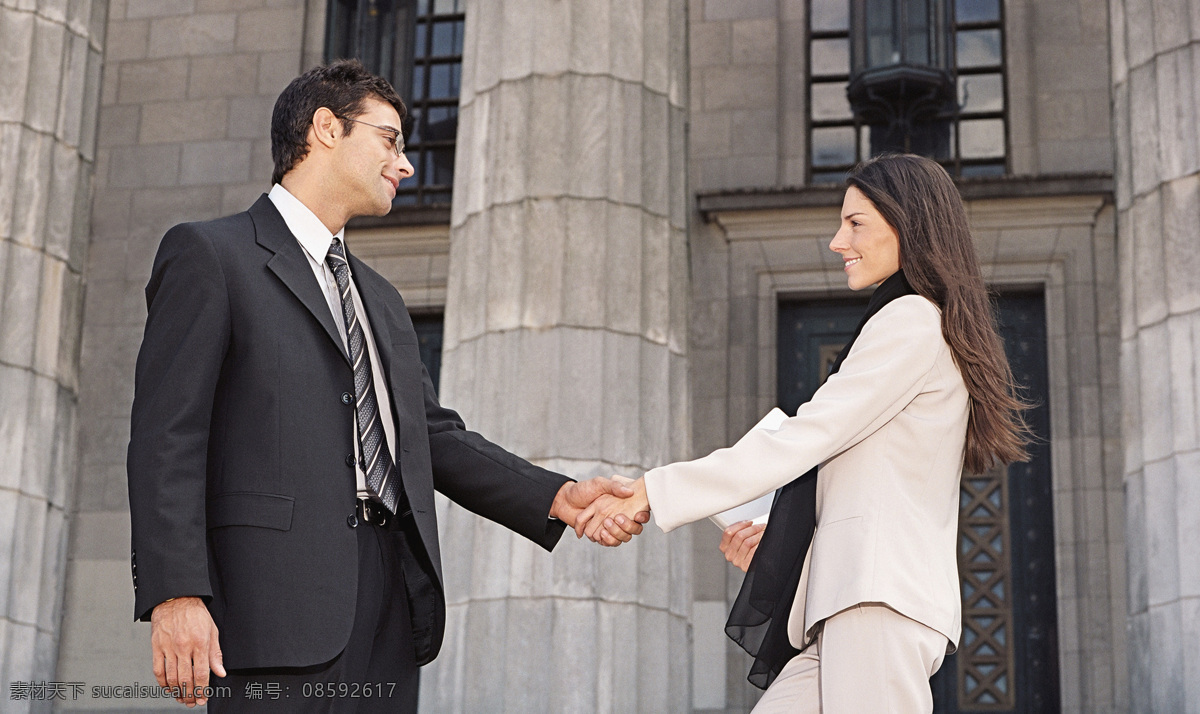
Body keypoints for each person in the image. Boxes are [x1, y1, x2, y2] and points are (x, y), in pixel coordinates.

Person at [126, 60, 644, 712]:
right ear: (324, 129)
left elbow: (431, 437)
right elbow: (165, 437)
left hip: (388, 608)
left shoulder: (381, 298)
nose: (405, 166)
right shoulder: (209, 255)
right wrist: (176, 593)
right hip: (270, 608)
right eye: (391, 140)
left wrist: (560, 496)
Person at [581, 153, 1030, 712]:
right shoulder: (914, 323)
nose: (838, 240)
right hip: (847, 609)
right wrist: (777, 543)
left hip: (874, 606)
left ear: (908, 224)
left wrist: (655, 490)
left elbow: (805, 437)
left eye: (855, 223)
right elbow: (864, 485)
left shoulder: (911, 320)